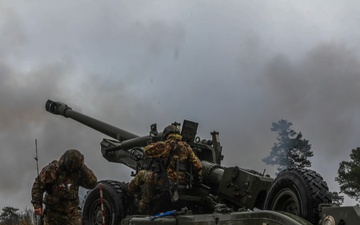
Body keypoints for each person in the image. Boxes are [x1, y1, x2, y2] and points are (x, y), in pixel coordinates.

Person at [128, 124, 202, 212]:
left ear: (166, 134)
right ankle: (142, 206)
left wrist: (156, 143)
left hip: (165, 181)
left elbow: (147, 151)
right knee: (151, 180)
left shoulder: (165, 145)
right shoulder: (187, 148)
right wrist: (197, 181)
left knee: (143, 175)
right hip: (180, 182)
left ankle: (129, 192)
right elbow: (198, 166)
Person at [31, 149, 97, 225]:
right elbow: (38, 186)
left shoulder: (78, 171)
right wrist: (37, 205)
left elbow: (92, 183)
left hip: (72, 213)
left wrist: (82, 167)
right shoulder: (52, 170)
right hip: (53, 213)